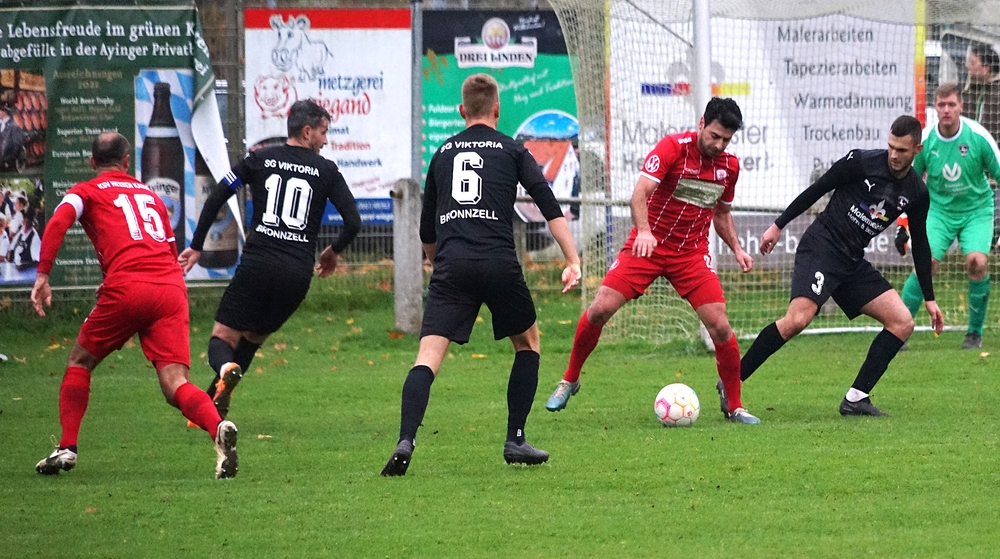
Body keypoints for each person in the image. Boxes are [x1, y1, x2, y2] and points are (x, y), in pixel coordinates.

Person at [380, 73, 582, 477]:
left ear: (461, 111)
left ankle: (406, 439)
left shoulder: (442, 153)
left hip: (452, 263)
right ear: (497, 109)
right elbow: (547, 204)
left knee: (427, 357)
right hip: (498, 261)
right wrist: (572, 259)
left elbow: (426, 230)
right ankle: (515, 439)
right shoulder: (512, 149)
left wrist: (440, 265)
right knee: (527, 343)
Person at [30, 131, 238, 479]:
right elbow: (166, 251)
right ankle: (218, 428)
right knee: (175, 383)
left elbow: (57, 221)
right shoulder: (150, 196)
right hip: (170, 288)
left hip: (128, 288)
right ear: (127, 162)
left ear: (92, 162)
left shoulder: (85, 191)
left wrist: (43, 275)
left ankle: (67, 447)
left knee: (79, 361)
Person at [543, 97, 759, 423]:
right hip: (648, 246)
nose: (719, 144)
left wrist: (737, 249)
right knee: (600, 308)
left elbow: (722, 213)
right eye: (715, 136)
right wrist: (644, 231)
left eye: (726, 140)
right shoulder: (673, 148)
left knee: (720, 326)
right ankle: (569, 379)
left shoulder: (729, 167)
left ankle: (735, 405)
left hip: (690, 254)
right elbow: (639, 194)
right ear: (702, 123)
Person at [739, 115, 944, 417]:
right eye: (890, 146)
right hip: (822, 247)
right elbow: (818, 189)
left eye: (901, 150)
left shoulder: (916, 192)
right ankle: (732, 380)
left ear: (917, 149)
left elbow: (921, 242)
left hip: (851, 261)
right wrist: (778, 225)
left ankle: (856, 399)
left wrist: (929, 298)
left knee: (902, 322)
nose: (893, 154)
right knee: (798, 320)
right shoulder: (860, 162)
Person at [179, 99, 361, 419]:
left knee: (223, 337)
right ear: (307, 132)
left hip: (258, 265)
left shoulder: (259, 159)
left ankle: (224, 370)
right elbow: (353, 221)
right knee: (252, 338)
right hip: (296, 274)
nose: (325, 140)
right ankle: (211, 406)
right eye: (323, 132)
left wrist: (196, 246)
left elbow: (218, 196)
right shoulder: (327, 170)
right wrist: (333, 251)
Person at [896, 84, 1000, 349]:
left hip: (976, 211)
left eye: (951, 104)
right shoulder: (926, 141)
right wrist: (902, 225)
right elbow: (907, 184)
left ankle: (974, 334)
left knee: (977, 262)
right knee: (926, 263)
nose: (946, 110)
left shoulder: (978, 137)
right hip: (938, 211)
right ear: (935, 107)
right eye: (941, 105)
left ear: (960, 107)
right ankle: (898, 331)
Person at [962, 42, 1000, 139]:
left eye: (973, 63)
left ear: (986, 68)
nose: (968, 66)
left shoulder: (996, 93)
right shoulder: (969, 91)